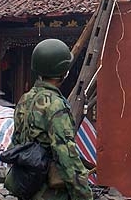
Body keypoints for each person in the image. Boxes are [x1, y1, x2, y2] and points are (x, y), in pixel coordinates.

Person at [10, 39, 92, 200]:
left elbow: (16, 142)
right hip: (50, 191)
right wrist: (84, 194)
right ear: (62, 71)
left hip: (26, 186)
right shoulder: (56, 105)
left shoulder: (25, 99)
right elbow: (67, 155)